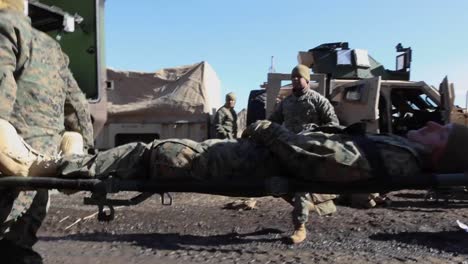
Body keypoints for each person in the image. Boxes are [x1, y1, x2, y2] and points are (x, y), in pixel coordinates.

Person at [0, 1, 93, 262]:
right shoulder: (52, 47)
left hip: (9, 175)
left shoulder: (4, 29)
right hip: (37, 190)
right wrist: (81, 156)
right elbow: (77, 108)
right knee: (16, 251)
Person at [269, 64, 340, 244]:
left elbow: (333, 125)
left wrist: (316, 137)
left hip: (308, 151)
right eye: (292, 77)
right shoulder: (286, 102)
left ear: (306, 79)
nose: (294, 80)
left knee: (301, 184)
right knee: (276, 184)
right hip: (288, 149)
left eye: (298, 77)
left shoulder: (318, 100)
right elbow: (273, 122)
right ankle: (312, 204)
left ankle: (299, 227)